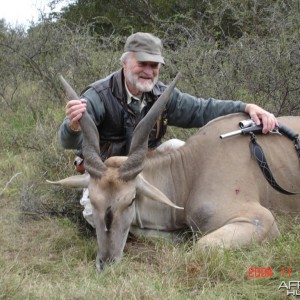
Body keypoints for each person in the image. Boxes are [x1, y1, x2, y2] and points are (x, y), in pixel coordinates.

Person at [58, 32, 278, 226]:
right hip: (109, 175)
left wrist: (245, 107)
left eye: (154, 66)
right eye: (142, 63)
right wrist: (73, 126)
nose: (148, 71)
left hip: (147, 168)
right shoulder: (99, 95)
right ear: (125, 63)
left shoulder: (161, 95)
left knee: (177, 147)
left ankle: (175, 214)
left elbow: (201, 110)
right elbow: (66, 141)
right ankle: (142, 224)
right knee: (93, 216)